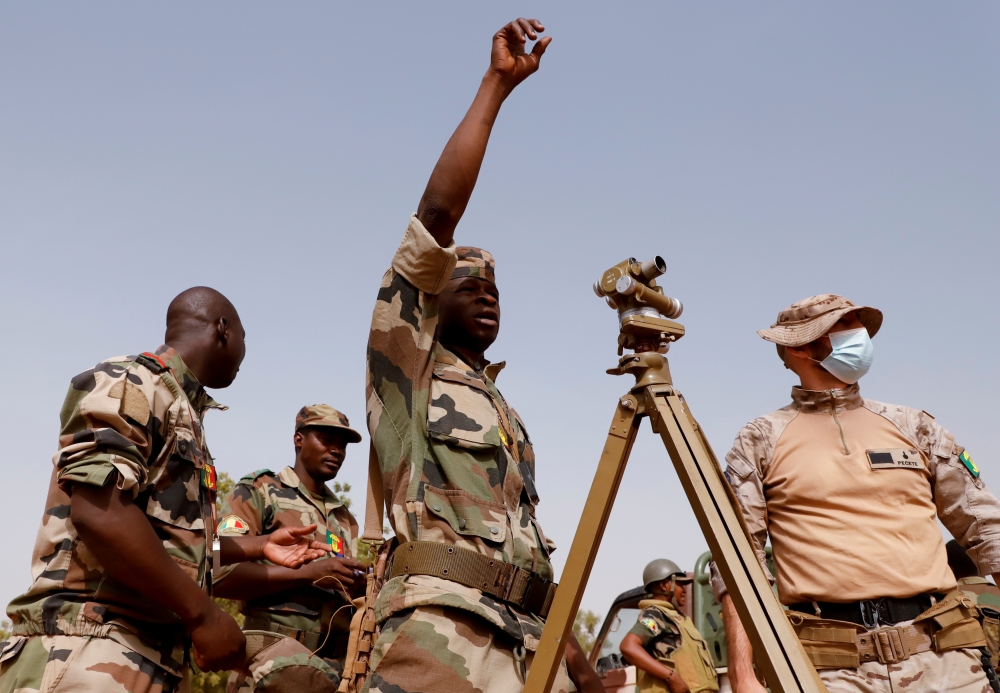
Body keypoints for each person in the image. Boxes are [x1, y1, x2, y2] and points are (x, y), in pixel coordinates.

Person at [363, 17, 570, 693]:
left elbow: (528, 539)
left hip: (527, 640)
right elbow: (436, 216)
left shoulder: (505, 411)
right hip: (442, 635)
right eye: (468, 288)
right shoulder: (407, 370)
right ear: (430, 300)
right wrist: (496, 88)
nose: (487, 299)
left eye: (495, 291)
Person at [0, 287, 329, 693]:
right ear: (223, 329)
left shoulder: (181, 408)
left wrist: (260, 546)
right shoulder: (131, 381)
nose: (245, 354)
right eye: (245, 338)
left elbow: (173, 543)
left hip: (144, 657)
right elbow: (100, 512)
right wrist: (204, 615)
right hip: (89, 646)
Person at [714, 294, 1000, 693]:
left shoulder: (914, 426)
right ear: (799, 348)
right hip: (831, 671)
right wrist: (743, 676)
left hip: (945, 660)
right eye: (843, 329)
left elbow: (986, 528)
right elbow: (736, 560)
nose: (860, 337)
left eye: (859, 328)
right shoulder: (760, 439)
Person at [214, 404, 368, 692]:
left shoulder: (344, 518)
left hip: (333, 675)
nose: (336, 450)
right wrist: (308, 574)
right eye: (326, 439)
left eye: (342, 445)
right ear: (299, 439)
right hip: (269, 669)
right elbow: (216, 570)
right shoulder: (259, 491)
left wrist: (357, 588)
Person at [620, 560, 719, 693]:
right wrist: (672, 678)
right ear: (664, 586)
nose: (684, 590)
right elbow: (628, 646)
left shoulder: (677, 618)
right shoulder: (655, 614)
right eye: (680, 584)